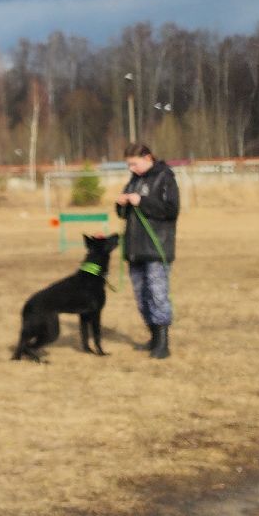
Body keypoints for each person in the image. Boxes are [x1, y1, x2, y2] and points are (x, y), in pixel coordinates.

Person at [114, 142, 179, 359]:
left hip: (156, 248)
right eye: (128, 165)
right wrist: (121, 203)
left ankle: (163, 343)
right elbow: (123, 214)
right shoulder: (134, 180)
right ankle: (153, 337)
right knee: (141, 297)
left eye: (134, 163)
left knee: (157, 294)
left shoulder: (165, 178)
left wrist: (142, 201)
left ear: (148, 158)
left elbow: (171, 210)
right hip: (135, 249)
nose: (131, 168)